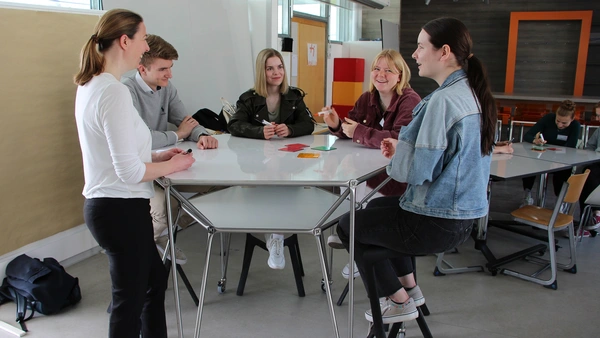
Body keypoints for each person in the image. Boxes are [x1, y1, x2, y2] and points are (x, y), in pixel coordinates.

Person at [337, 17, 496, 324]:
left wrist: (401, 156)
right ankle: (411, 287)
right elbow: (443, 157)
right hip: (464, 218)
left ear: (444, 52)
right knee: (379, 206)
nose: (415, 54)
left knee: (349, 225)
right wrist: (404, 148)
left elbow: (415, 172)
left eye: (421, 47)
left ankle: (398, 302)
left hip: (437, 220)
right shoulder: (471, 93)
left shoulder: (443, 101)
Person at [74, 9, 195, 337]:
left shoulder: (95, 85)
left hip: (116, 206)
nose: (145, 45)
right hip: (118, 209)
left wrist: (158, 153)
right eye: (142, 38)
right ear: (125, 41)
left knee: (154, 282)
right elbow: (127, 170)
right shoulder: (112, 91)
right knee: (128, 301)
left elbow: (116, 153)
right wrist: (175, 164)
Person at [321, 49, 421, 279]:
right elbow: (351, 130)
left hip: (395, 181)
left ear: (400, 76)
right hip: (369, 172)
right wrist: (336, 124)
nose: (381, 74)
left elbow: (397, 140)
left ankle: (354, 241)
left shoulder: (411, 100)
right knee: (350, 182)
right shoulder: (367, 98)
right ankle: (350, 233)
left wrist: (359, 131)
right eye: (376, 68)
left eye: (388, 70)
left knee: (358, 198)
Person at [122, 34, 218, 265]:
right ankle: (152, 240)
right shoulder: (126, 91)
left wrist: (201, 135)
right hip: (139, 167)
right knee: (166, 207)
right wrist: (178, 135)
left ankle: (165, 233)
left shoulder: (167, 87)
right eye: (163, 69)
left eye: (170, 67)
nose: (170, 74)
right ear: (142, 69)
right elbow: (140, 139)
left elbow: (184, 119)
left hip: (163, 160)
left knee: (215, 187)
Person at [227, 48, 314, 269]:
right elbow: (234, 125)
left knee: (283, 185)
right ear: (261, 72)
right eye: (270, 68)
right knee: (271, 187)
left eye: (280, 67)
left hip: (288, 160)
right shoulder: (248, 98)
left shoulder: (294, 96)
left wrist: (290, 130)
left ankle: (276, 235)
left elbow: (309, 124)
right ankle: (275, 234)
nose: (277, 72)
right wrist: (259, 132)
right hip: (257, 162)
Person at [520, 100, 581, 206]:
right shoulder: (548, 119)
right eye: (558, 121)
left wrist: (558, 159)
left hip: (561, 158)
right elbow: (528, 135)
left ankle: (560, 201)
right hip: (542, 156)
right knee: (528, 163)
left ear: (572, 119)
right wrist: (535, 140)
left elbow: (570, 147)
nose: (560, 125)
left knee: (563, 170)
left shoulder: (575, 126)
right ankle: (527, 194)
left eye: (564, 123)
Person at [579, 102, 600, 231]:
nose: (597, 119)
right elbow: (589, 146)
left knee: (590, 175)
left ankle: (594, 215)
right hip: (596, 162)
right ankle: (589, 219)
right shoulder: (599, 131)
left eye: (599, 115)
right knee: (586, 173)